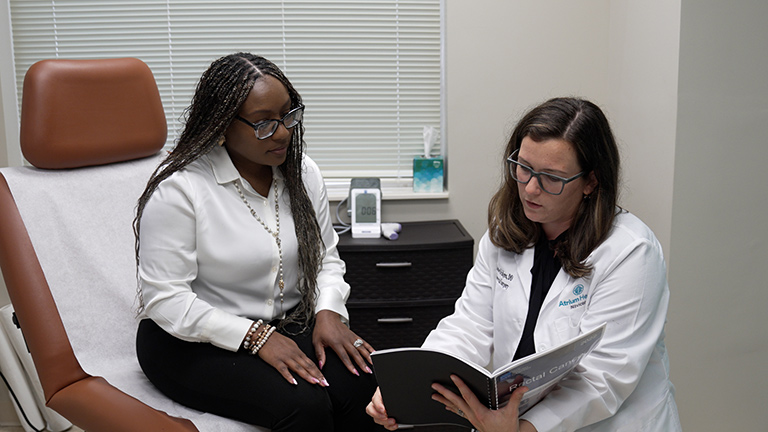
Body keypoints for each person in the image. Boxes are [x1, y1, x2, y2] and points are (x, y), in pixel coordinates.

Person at [367, 97, 681, 432]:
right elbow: (471, 325)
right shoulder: (507, 232)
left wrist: (524, 429)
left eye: (551, 178)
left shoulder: (631, 252)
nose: (530, 188)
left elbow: (604, 377)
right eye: (524, 167)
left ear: (591, 181)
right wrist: (410, 387)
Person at [133, 53, 377, 432]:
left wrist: (329, 312)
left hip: (287, 322)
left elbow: (327, 257)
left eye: (288, 115)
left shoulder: (303, 174)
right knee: (304, 405)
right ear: (221, 127)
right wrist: (255, 337)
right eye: (263, 123)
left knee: (366, 385)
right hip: (190, 342)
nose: (282, 132)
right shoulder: (181, 190)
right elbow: (166, 299)